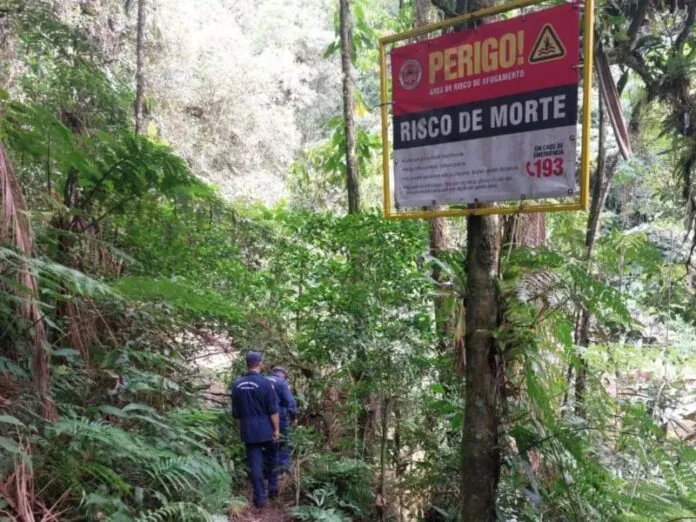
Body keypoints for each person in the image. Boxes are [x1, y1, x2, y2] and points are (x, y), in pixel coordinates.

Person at [231, 351, 280, 508]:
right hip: (266, 429)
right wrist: (277, 429)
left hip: (248, 431)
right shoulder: (266, 384)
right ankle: (272, 489)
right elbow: (273, 410)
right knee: (272, 459)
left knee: (255, 465)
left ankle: (259, 498)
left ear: (247, 363)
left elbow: (236, 414)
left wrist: (242, 429)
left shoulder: (236, 385)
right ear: (260, 363)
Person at [266, 366, 297, 473]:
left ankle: (269, 470)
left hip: (263, 418)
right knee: (284, 442)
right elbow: (290, 402)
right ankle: (283, 470)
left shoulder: (262, 380)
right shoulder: (281, 383)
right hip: (280, 417)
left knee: (268, 443)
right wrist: (293, 416)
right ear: (283, 375)